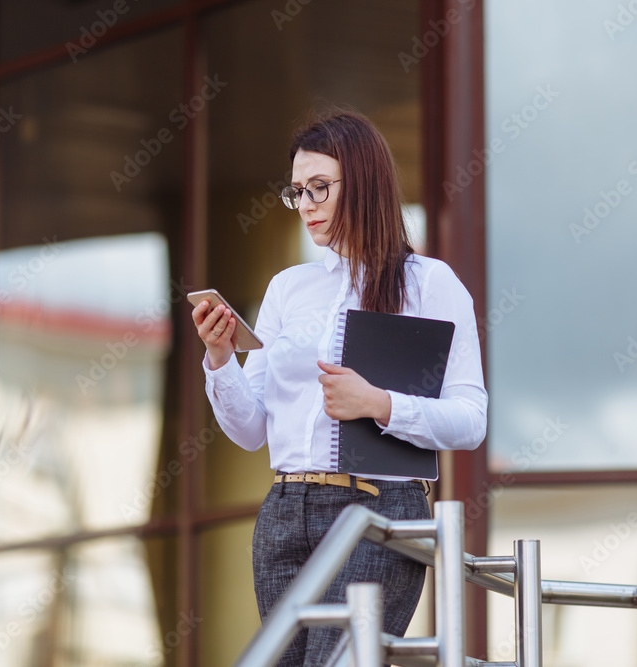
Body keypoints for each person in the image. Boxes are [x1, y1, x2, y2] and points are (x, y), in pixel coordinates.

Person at [191, 108, 487, 665]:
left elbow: (471, 419)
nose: (306, 206)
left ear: (365, 180)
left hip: (376, 506)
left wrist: (379, 405)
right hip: (285, 507)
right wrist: (219, 357)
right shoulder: (287, 288)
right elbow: (251, 430)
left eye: (320, 188)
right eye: (297, 192)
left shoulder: (429, 283)